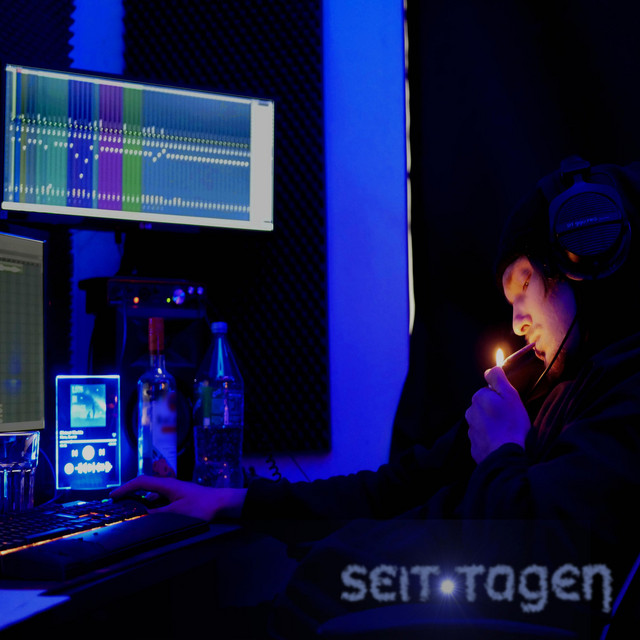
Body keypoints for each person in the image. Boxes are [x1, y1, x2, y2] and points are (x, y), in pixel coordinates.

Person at [113, 157, 640, 638]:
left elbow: (552, 559)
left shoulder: (628, 392)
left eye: (524, 287)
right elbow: (397, 488)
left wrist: (502, 451)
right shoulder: (548, 389)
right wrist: (238, 502)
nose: (518, 321)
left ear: (587, 255)